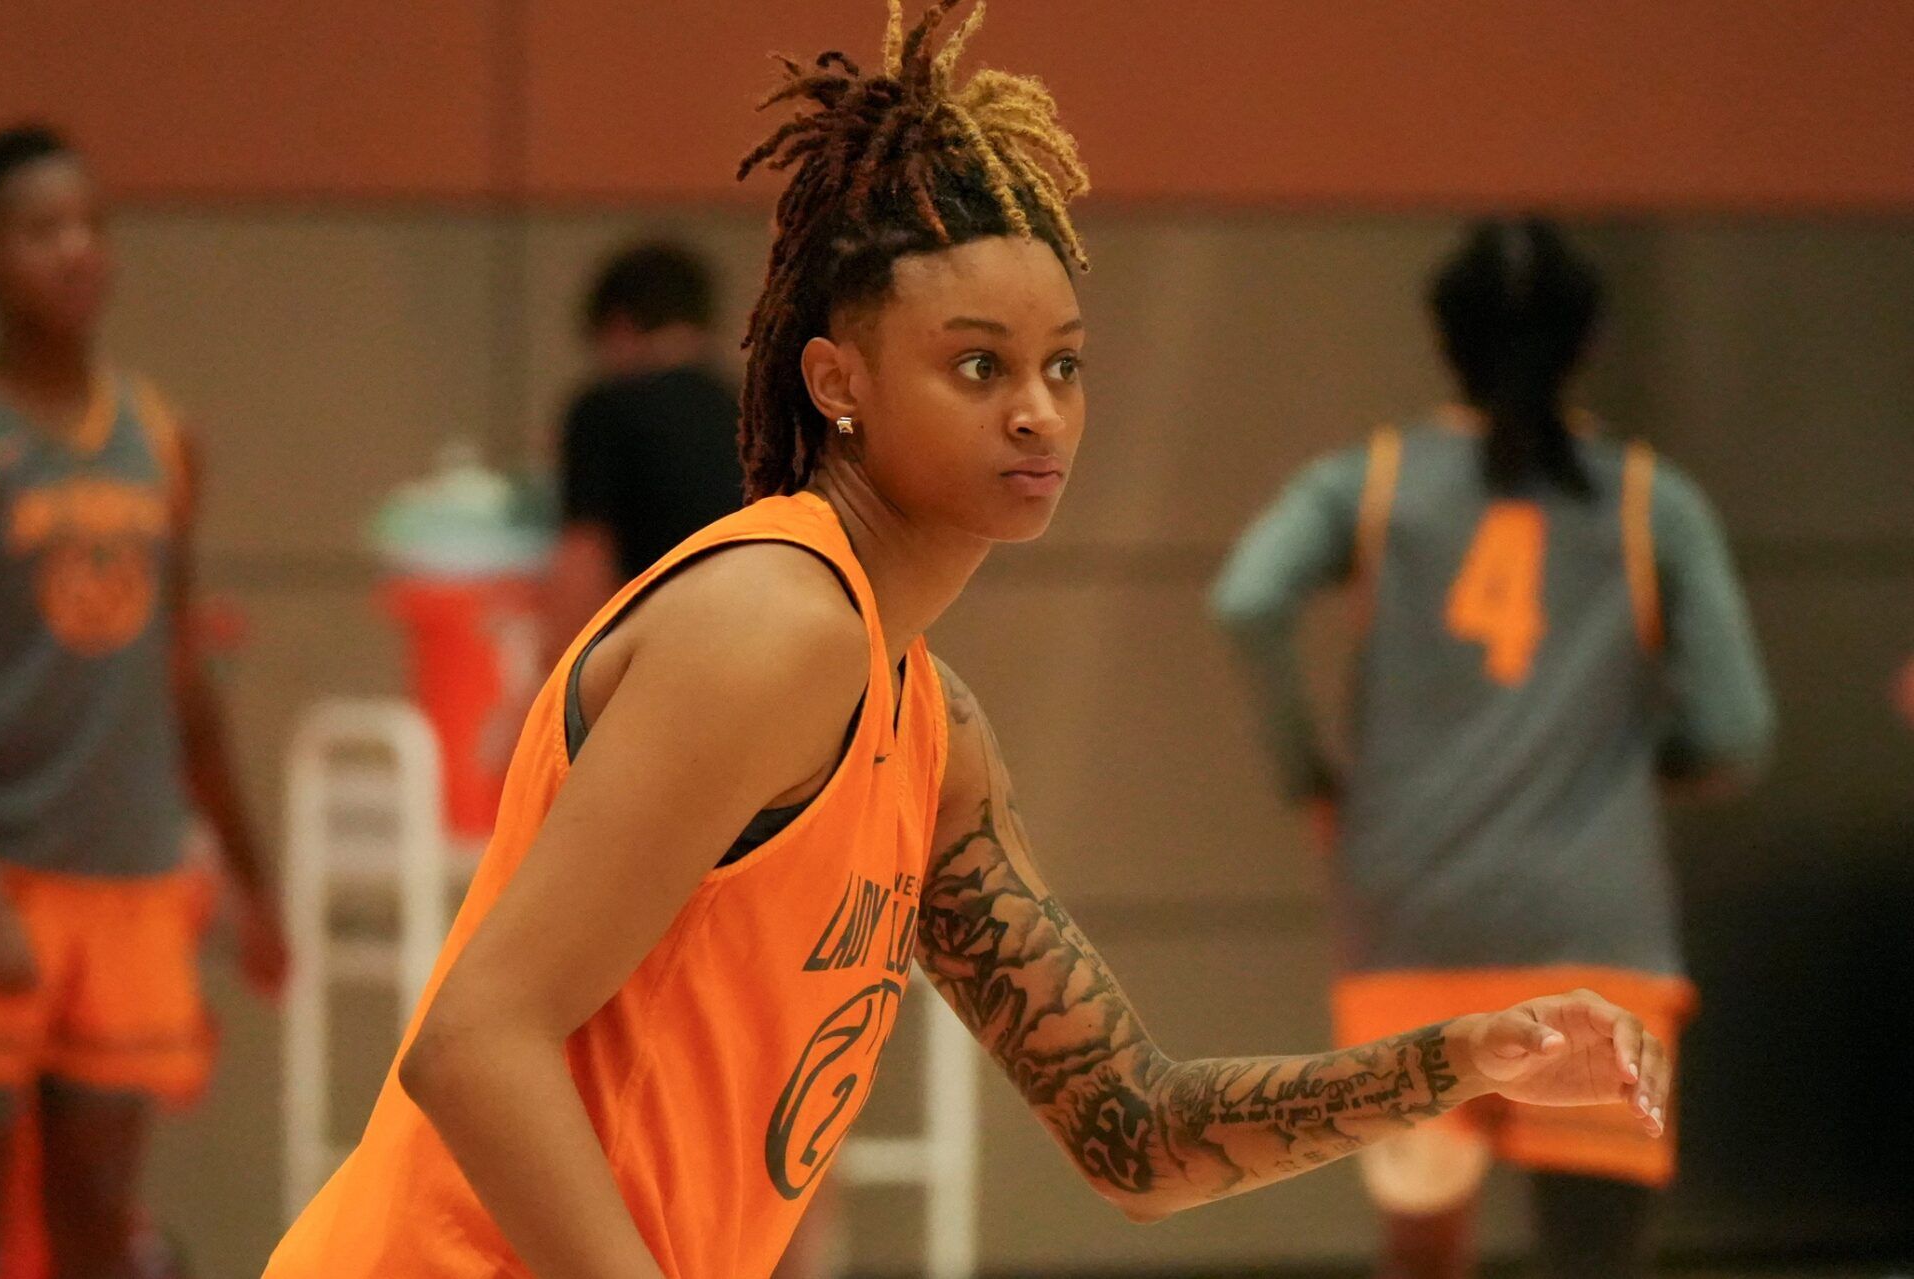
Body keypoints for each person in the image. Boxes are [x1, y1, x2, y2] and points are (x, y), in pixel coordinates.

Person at [265, 10, 1672, 1278]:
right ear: (839, 379)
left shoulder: (927, 724)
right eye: (980, 363)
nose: (1040, 412)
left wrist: (1461, 1059)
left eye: (1064, 364)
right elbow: (475, 1039)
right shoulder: (774, 622)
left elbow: (1138, 1130)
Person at [1211, 218, 1774, 1279]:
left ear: (1443, 336)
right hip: (1593, 922)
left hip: (1409, 922)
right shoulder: (1653, 501)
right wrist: (1654, 763)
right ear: (1587, 342)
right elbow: (1736, 732)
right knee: (1595, 1257)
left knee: (1423, 1246)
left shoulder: (1369, 481)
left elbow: (1246, 598)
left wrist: (1312, 775)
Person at [0, 124, 289, 1276]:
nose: (73, 249)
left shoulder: (159, 438)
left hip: (125, 881)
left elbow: (179, 677)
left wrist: (253, 881)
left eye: (89, 226)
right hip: (6, 873)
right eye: (38, 229)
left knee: (93, 1228)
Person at [542, 242, 746, 664]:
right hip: (771, 642)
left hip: (662, 655)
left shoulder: (604, 407)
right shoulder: (754, 406)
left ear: (618, 326)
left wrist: (550, 678)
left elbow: (586, 556)